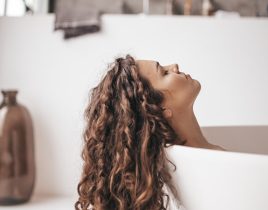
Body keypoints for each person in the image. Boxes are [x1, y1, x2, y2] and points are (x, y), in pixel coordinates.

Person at [75, 54, 226, 210]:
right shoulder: (187, 174)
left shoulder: (210, 157)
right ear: (159, 109)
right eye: (165, 73)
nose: (175, 65)